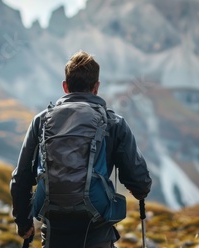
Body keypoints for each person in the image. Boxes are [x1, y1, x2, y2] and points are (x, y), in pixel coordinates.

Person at [10, 51, 152, 248]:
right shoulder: (113, 123)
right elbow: (139, 181)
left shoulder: (41, 121)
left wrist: (23, 224)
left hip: (54, 227)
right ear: (96, 87)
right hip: (97, 225)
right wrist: (141, 190)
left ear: (65, 87)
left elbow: (21, 178)